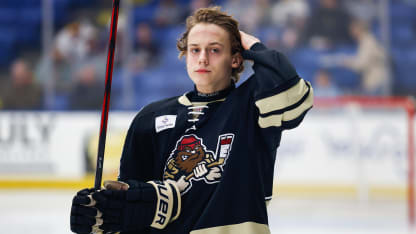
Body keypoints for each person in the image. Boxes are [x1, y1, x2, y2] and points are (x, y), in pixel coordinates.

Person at [70, 6, 313, 234]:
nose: (203, 58)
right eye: (195, 49)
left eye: (215, 49)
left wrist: (247, 41)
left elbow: (292, 91)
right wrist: (102, 214)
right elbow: (128, 202)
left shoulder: (253, 106)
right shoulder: (150, 117)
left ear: (236, 59)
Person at [341, 19, 390, 95]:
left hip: (377, 81)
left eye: (353, 29)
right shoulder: (365, 41)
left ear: (359, 29)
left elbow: (362, 64)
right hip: (373, 81)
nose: (351, 32)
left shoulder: (368, 41)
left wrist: (347, 63)